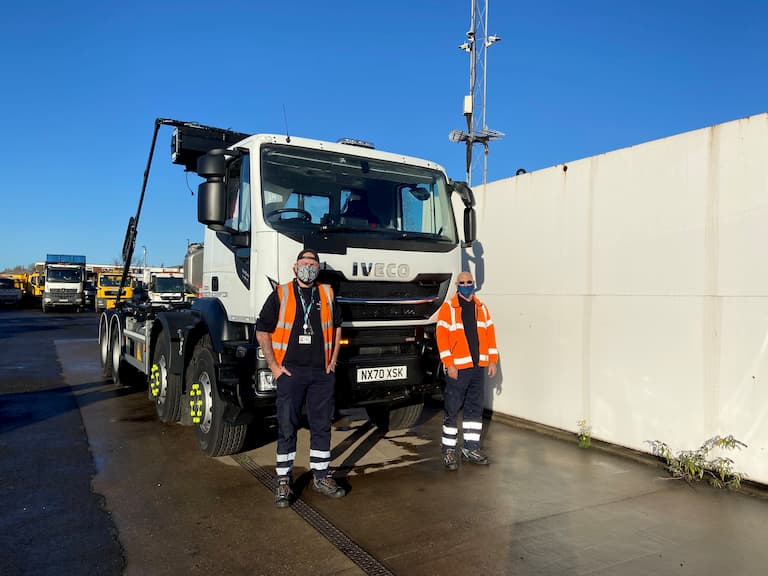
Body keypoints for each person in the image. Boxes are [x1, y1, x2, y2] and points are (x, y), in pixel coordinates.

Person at [256, 248, 345, 507]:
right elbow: (263, 330)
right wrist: (273, 366)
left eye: (313, 263)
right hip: (290, 372)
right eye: (304, 262)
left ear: (318, 268)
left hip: (321, 373)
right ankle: (283, 480)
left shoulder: (327, 294)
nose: (309, 266)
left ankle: (321, 476)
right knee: (287, 426)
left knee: (321, 426)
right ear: (295, 267)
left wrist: (333, 360)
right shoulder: (282, 294)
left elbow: (337, 327)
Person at [436, 270, 499, 470]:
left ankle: (471, 448)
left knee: (474, 408)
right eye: (462, 282)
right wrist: (449, 362)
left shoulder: (482, 308)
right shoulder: (448, 308)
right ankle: (448, 451)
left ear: (474, 283)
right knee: (452, 409)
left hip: (478, 367)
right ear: (457, 285)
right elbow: (442, 337)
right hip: (458, 368)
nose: (466, 284)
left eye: (469, 281)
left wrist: (492, 361)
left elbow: (490, 335)